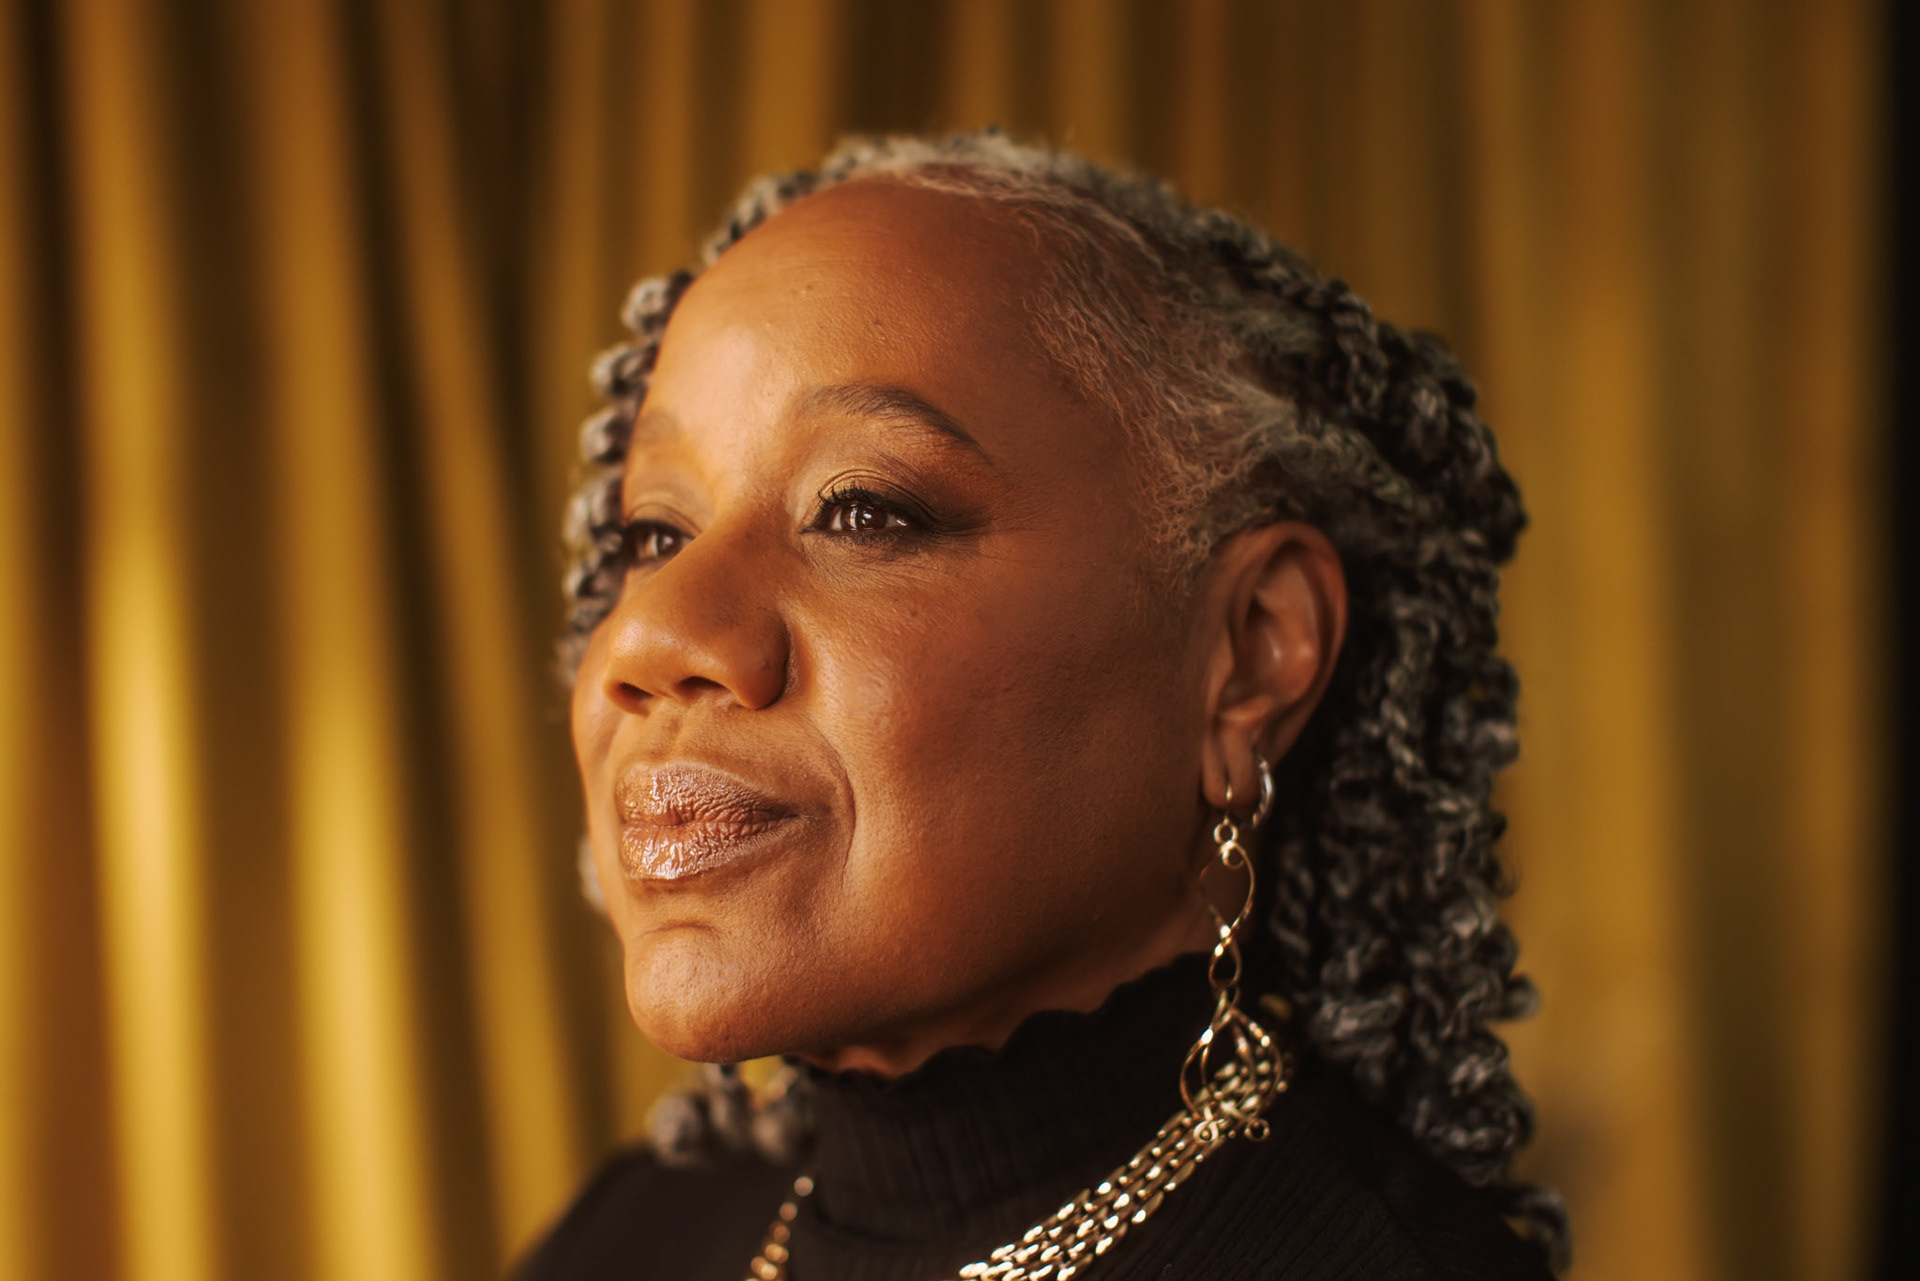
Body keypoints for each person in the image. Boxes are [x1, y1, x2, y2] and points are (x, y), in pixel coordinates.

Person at [523, 131, 1567, 1280]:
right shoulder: (626, 1241)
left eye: (865, 510)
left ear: (1250, 656)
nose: (650, 635)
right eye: (654, 534)